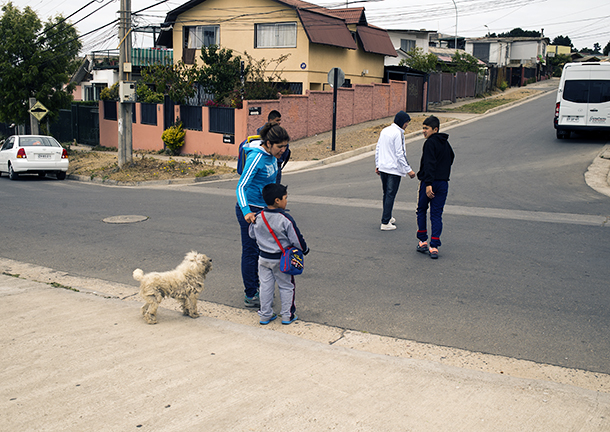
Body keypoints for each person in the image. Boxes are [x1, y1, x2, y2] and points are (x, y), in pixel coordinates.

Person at [236, 122, 290, 307]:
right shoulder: (256, 159)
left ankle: (262, 289)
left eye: (285, 146)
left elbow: (271, 183)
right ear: (268, 143)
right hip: (250, 209)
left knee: (265, 251)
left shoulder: (273, 157)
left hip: (265, 210)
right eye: (280, 146)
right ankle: (251, 294)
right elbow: (241, 186)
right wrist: (246, 212)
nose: (283, 150)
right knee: (251, 252)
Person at [249, 183, 308, 325]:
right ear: (277, 200)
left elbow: (251, 234)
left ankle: (265, 315)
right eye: (285, 198)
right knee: (286, 286)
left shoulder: (258, 216)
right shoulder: (285, 219)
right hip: (281, 260)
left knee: (265, 286)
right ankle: (287, 315)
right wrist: (304, 249)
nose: (286, 201)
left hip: (263, 258)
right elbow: (296, 238)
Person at [415, 115, 455, 259]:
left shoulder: (429, 143)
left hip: (429, 183)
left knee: (421, 209)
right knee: (436, 213)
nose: (423, 131)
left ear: (435, 129)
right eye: (423, 128)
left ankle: (423, 240)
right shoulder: (445, 143)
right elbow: (451, 157)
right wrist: (443, 173)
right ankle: (434, 245)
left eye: (426, 128)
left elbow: (429, 164)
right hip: (443, 183)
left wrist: (429, 183)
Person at [375, 110, 416, 231]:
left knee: (386, 194)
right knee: (390, 194)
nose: (407, 125)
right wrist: (409, 170)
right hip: (394, 169)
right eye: (406, 122)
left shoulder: (385, 130)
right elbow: (400, 153)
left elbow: (378, 148)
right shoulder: (398, 133)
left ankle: (387, 216)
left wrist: (378, 164)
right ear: (402, 122)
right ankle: (385, 222)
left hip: (383, 167)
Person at [257, 110, 290, 184]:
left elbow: (285, 152)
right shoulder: (256, 157)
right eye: (277, 120)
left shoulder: (280, 131)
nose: (279, 122)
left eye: (280, 120)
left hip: (276, 165)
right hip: (267, 165)